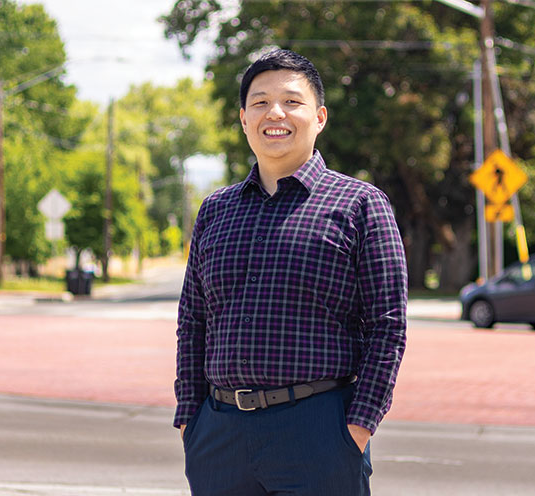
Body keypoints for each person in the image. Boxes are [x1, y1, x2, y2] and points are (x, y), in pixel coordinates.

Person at [174, 48, 408, 495]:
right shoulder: (215, 211)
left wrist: (358, 426)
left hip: (319, 431)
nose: (274, 113)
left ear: (319, 116)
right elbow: (193, 322)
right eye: (259, 102)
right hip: (220, 437)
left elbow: (388, 326)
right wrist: (190, 418)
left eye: (291, 101)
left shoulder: (360, 205)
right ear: (243, 119)